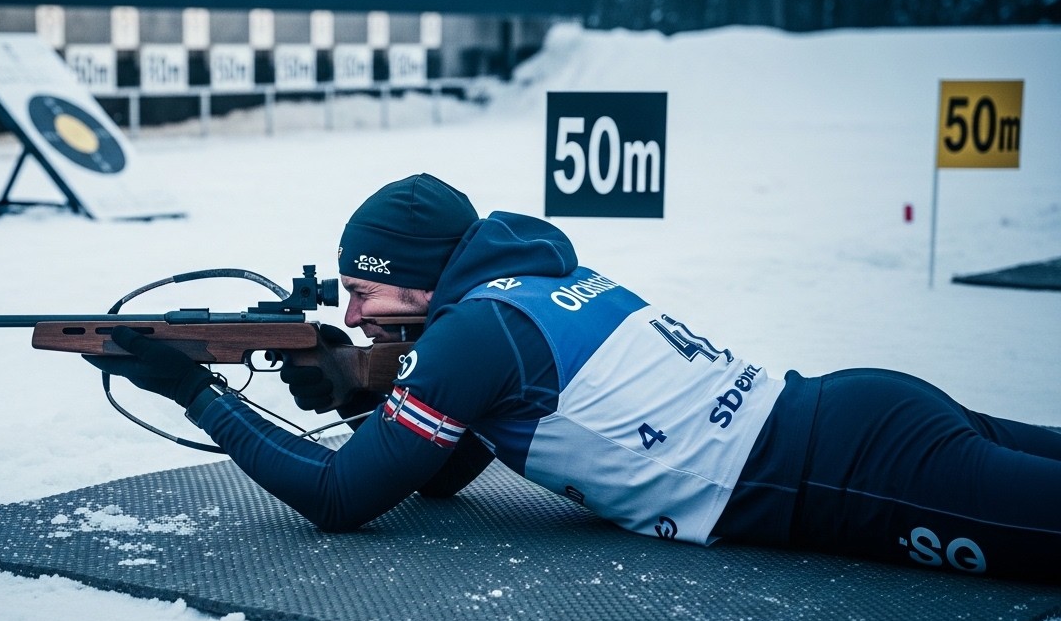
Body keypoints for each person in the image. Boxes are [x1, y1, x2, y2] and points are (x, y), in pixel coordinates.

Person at [87, 173, 1061, 583]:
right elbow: (446, 467)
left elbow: (345, 498)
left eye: (359, 292)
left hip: (848, 477)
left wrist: (197, 393)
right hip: (857, 418)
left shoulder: (473, 333)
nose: (349, 316)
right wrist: (357, 391)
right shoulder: (527, 283)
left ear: (410, 277)